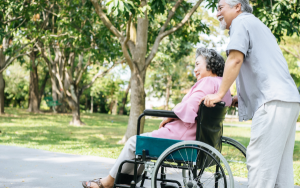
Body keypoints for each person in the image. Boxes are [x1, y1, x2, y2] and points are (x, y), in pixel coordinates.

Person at [82, 47, 232, 188]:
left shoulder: (206, 82)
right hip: (202, 142)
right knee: (140, 147)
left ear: (210, 65)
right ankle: (123, 183)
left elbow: (190, 107)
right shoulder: (222, 86)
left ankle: (107, 183)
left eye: (198, 64)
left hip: (182, 139)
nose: (194, 69)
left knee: (134, 143)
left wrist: (169, 117)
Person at [200, 1, 300, 188]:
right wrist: (241, 97)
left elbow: (235, 59)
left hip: (273, 102)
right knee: (280, 172)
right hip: (287, 100)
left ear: (237, 7)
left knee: (260, 164)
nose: (217, 14)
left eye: (220, 8)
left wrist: (220, 94)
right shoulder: (257, 25)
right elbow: (261, 67)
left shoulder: (241, 22)